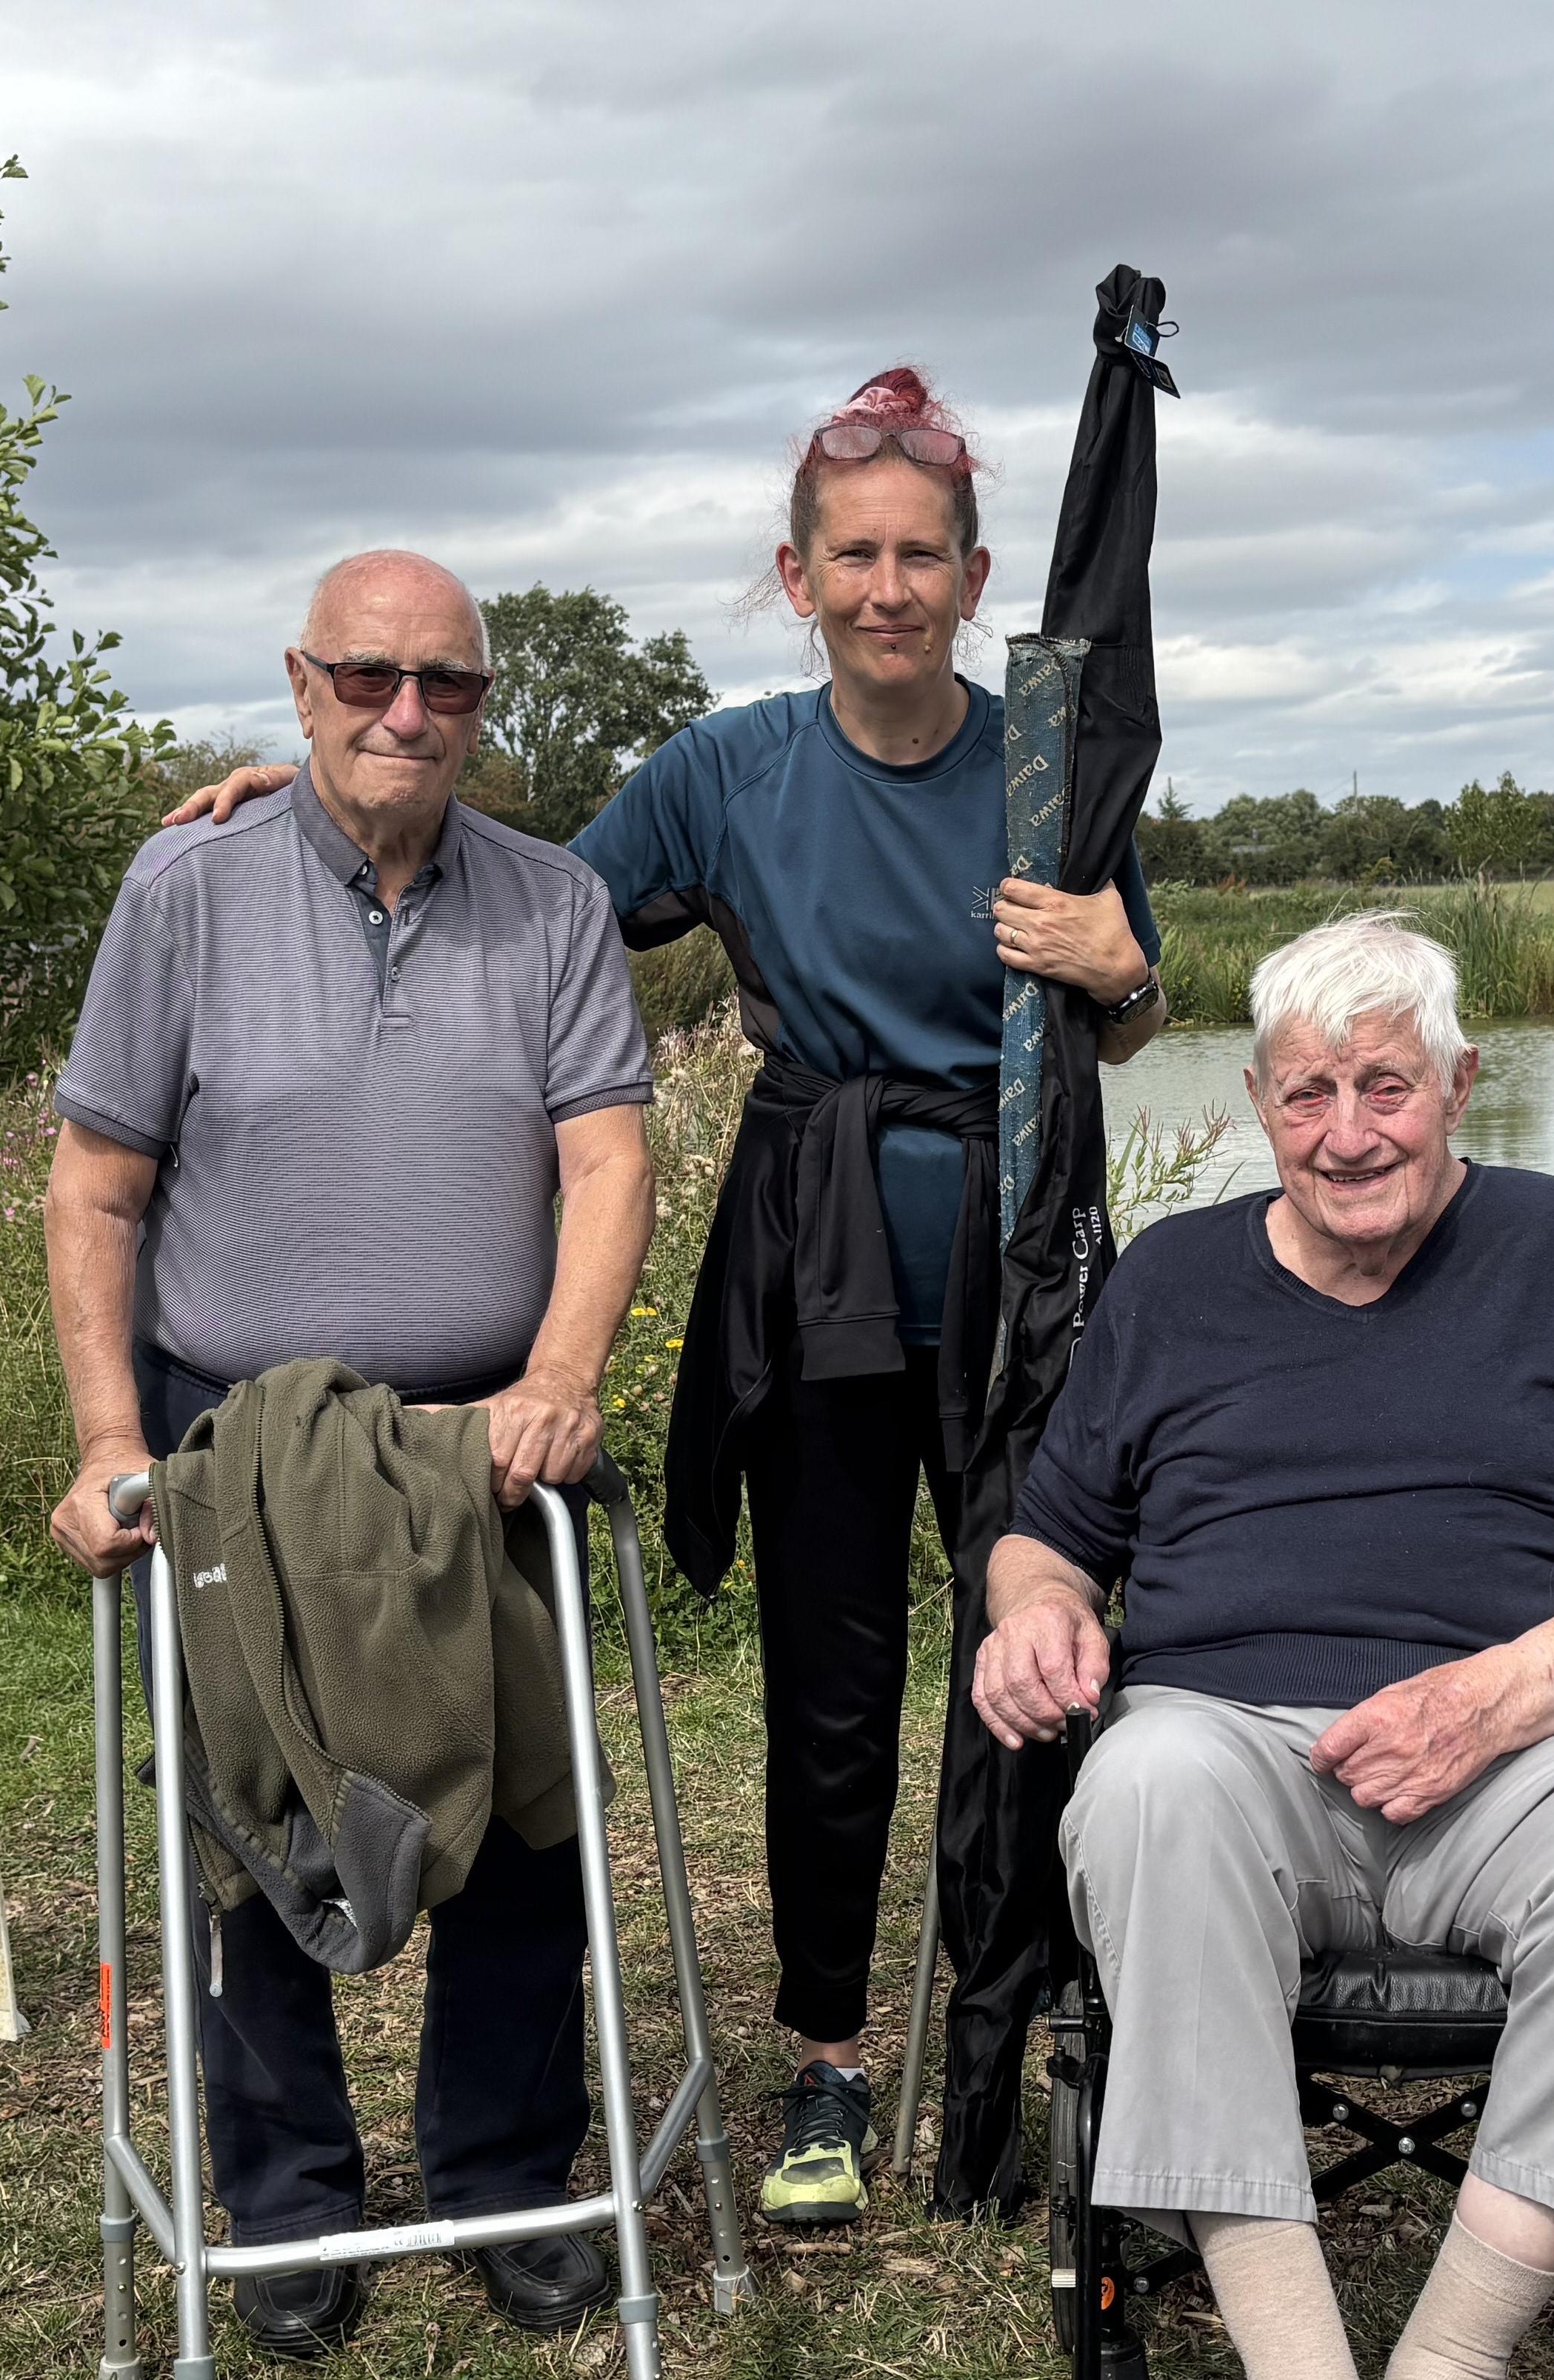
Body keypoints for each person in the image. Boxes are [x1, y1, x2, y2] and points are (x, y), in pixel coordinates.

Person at [170, 366, 1172, 2230]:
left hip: (1028, 1266)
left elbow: (1130, 1004)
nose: (889, 585)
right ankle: (828, 2057)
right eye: (852, 553)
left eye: (922, 554)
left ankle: (1024, 2038)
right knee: (834, 1685)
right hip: (819, 1269)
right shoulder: (728, 768)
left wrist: (1126, 969)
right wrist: (310, 798)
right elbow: (520, 894)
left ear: (970, 575)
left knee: (1037, 1656)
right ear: (797, 576)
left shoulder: (1048, 759)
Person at [970, 913, 1554, 2380]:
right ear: (1260, 1103)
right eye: (1308, 1093)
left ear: (1459, 1084)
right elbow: (1048, 1533)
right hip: (1238, 1758)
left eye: (1385, 1085)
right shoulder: (1169, 1280)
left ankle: (1447, 2361)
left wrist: (1489, 1698)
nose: (1348, 1133)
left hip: (1533, 1754)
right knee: (1145, 1785)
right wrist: (1037, 1605)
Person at [43, 550, 656, 2361]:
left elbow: (608, 1159)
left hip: (484, 1434)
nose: (408, 712)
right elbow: (96, 1187)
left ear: (484, 705)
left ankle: (499, 2172)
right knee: (249, 1823)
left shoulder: (555, 904)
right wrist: (103, 1438)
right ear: (302, 687)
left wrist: (563, 1368)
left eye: (447, 685)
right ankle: (289, 2196)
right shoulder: (187, 887)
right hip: (232, 1443)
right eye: (371, 677)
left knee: (522, 1815)